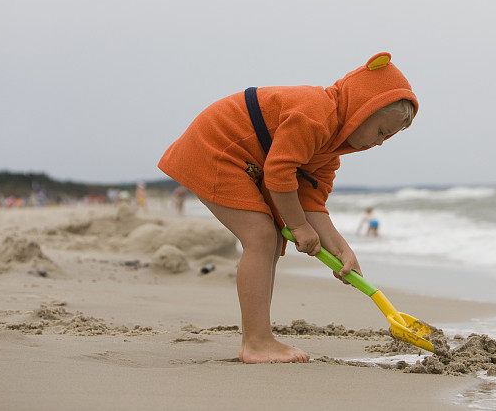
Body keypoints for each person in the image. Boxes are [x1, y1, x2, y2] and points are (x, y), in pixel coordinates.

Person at [157, 52, 417, 364]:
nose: (380, 143)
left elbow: (311, 203)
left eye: (389, 138)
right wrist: (299, 227)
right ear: (360, 110)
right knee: (262, 237)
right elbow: (279, 173)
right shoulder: (315, 114)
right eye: (380, 131)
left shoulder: (329, 153)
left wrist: (341, 249)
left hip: (246, 161)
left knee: (273, 240)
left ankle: (258, 336)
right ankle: (256, 341)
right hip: (217, 147)